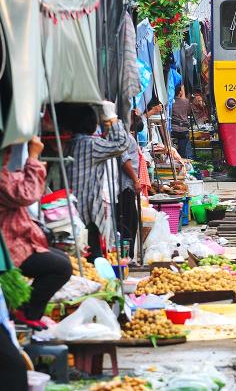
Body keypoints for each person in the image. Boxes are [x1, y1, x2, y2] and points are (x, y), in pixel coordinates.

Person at [0, 136, 72, 329]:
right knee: (61, 268)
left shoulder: (4, 173)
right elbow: (27, 194)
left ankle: (27, 309)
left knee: (62, 260)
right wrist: (33, 158)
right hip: (8, 248)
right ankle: (26, 312)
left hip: (16, 240)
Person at [67, 103, 129, 261]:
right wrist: (112, 118)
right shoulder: (90, 144)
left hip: (70, 211)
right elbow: (121, 144)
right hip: (87, 211)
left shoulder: (70, 144)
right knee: (92, 256)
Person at [117, 113, 143, 259]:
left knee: (130, 223)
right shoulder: (121, 134)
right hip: (124, 185)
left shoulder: (124, 133)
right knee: (127, 224)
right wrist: (135, 180)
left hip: (127, 185)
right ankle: (126, 257)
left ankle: (127, 257)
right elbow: (124, 158)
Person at [171, 85, 193, 159]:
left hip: (173, 129)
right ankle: (183, 162)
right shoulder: (186, 102)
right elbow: (189, 112)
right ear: (180, 92)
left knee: (172, 150)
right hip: (183, 130)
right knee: (183, 150)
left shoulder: (170, 103)